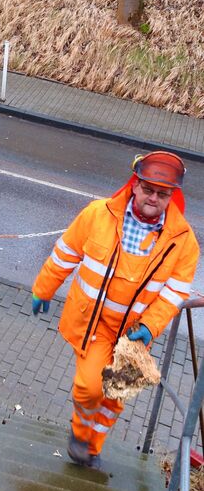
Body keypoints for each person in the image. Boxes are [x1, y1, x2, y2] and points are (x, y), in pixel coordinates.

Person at [31, 151, 199, 469]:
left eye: (162, 194)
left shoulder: (183, 241)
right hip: (94, 324)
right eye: (148, 189)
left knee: (115, 395)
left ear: (172, 196)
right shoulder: (98, 215)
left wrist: (149, 326)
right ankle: (80, 435)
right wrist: (43, 289)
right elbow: (65, 254)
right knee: (90, 387)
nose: (153, 198)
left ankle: (91, 449)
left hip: (133, 337)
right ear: (135, 185)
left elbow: (174, 293)